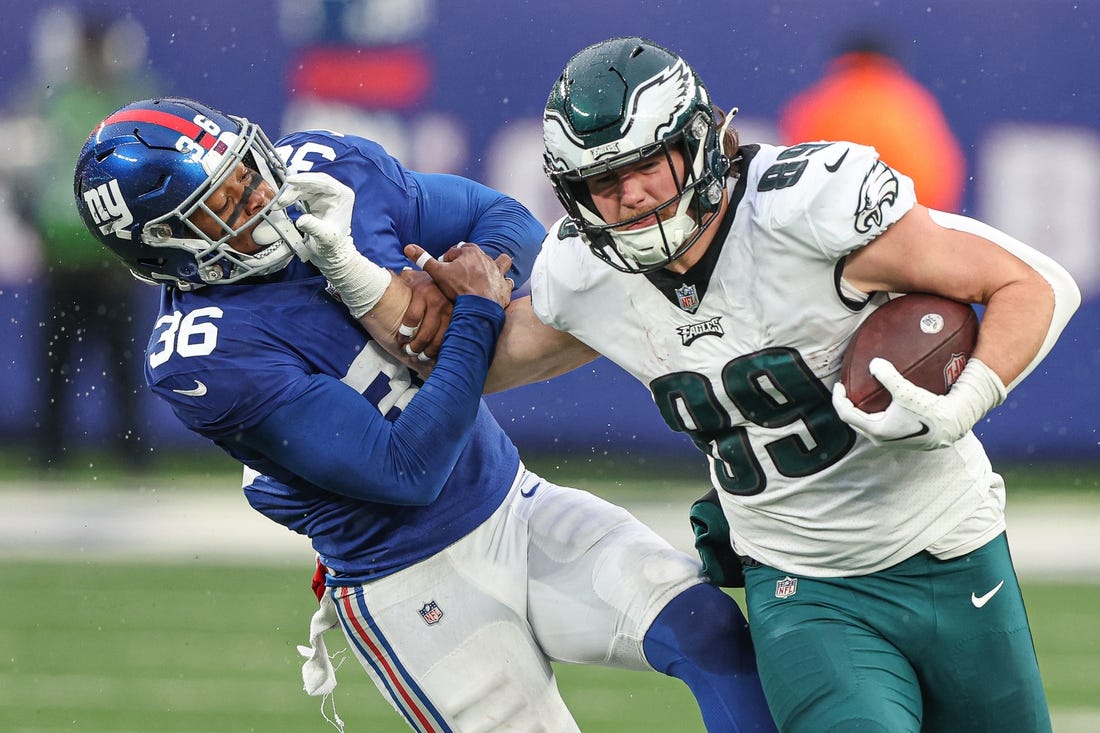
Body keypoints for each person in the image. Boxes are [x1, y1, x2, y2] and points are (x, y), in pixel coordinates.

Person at [321, 38, 1079, 732]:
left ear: (699, 142)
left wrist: (967, 399)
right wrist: (358, 280)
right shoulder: (588, 274)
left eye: (645, 165)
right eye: (601, 182)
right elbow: (465, 363)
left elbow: (1034, 283)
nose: (630, 198)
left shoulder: (804, 209)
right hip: (804, 584)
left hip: (950, 543)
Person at [73, 96, 776, 732]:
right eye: (224, 204)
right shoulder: (205, 357)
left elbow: (506, 221)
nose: (260, 197)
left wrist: (479, 270)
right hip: (411, 578)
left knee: (711, 633)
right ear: (167, 249)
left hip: (513, 502)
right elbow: (407, 468)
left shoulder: (325, 173)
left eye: (248, 169)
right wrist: (471, 313)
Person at [28, 12, 159, 468]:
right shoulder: (53, 101)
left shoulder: (134, 103)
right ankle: (49, 454)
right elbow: (35, 176)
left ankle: (133, 453)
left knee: (126, 365)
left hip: (114, 261)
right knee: (55, 365)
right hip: (64, 258)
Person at [777, 34, 966, 213]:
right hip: (906, 223)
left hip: (832, 229)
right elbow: (937, 179)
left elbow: (794, 181)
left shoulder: (816, 104)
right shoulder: (911, 102)